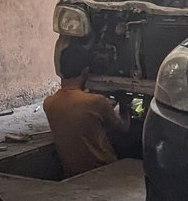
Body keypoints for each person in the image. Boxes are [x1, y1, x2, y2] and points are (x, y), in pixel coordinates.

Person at [43, 42, 133, 177]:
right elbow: (124, 128)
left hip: (72, 173)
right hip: (105, 171)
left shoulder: (49, 103)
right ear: (86, 71)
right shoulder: (96, 102)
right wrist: (125, 105)